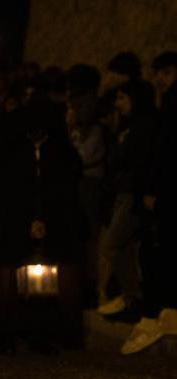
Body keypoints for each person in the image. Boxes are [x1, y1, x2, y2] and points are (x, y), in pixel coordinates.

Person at [0, 99, 85, 352]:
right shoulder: (11, 149)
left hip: (48, 222)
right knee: (7, 276)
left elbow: (62, 188)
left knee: (50, 279)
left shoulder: (57, 151)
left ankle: (46, 331)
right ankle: (8, 329)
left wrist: (42, 218)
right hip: (11, 222)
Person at [123, 51, 177, 353]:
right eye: (158, 72)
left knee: (157, 251)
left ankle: (157, 314)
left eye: (166, 73)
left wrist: (153, 188)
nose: (160, 79)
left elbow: (165, 151)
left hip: (165, 192)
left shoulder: (170, 107)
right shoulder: (165, 105)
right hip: (165, 190)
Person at [97, 79, 156, 322]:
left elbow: (137, 161)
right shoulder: (126, 127)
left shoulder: (144, 127)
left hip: (133, 192)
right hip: (123, 192)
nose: (118, 104)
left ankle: (134, 296)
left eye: (123, 98)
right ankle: (132, 297)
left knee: (113, 245)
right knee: (122, 246)